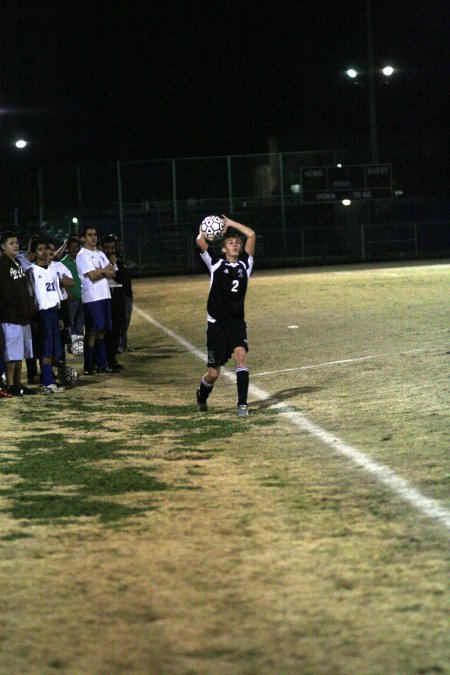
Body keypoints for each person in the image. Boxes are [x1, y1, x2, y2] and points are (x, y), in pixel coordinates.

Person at [195, 215, 256, 417]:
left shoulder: (245, 266)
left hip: (236, 324)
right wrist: (207, 230)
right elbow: (200, 241)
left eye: (237, 242)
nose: (235, 244)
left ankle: (242, 405)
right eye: (230, 242)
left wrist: (229, 224)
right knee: (214, 373)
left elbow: (251, 234)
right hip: (216, 326)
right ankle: (202, 395)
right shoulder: (215, 264)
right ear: (223, 249)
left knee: (241, 357)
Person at [0, 231, 36, 396]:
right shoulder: (2, 265)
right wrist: (19, 306)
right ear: (2, 246)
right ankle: (11, 384)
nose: (16, 245)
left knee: (20, 352)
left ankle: (19, 383)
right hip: (11, 316)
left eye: (16, 242)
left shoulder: (17, 263)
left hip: (23, 316)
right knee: (12, 353)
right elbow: (6, 293)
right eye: (11, 243)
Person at [76, 226, 116, 375]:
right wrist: (104, 271)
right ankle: (88, 366)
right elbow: (92, 276)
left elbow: (112, 272)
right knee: (92, 331)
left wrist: (102, 271)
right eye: (89, 235)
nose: (93, 238)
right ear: (83, 238)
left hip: (104, 295)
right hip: (92, 297)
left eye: (95, 234)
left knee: (102, 331)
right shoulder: (82, 255)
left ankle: (102, 364)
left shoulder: (99, 253)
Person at [27, 238, 65, 394]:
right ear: (34, 253)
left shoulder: (52, 269)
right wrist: (34, 318)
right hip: (41, 314)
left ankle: (48, 379)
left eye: (46, 249)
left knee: (53, 350)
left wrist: (60, 316)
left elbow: (57, 293)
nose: (45, 251)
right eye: (41, 249)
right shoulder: (31, 271)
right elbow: (30, 297)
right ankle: (47, 383)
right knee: (45, 350)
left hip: (53, 313)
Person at [60, 237, 84, 338]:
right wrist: (69, 294)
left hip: (83, 297)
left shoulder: (82, 261)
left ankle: (78, 345)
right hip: (71, 298)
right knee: (70, 323)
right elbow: (61, 281)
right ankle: (72, 344)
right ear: (67, 249)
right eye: (72, 247)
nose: (74, 249)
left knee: (80, 323)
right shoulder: (63, 263)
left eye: (76, 247)